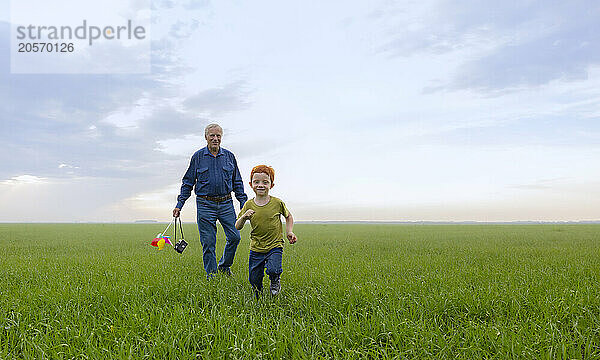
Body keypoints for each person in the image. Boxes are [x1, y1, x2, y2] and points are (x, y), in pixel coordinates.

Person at [173, 124, 247, 277]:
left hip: (226, 203)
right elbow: (188, 182)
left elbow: (237, 182)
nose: (215, 138)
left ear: (221, 137)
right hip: (205, 204)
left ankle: (224, 266)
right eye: (212, 135)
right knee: (208, 242)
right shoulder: (198, 157)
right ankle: (211, 275)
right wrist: (180, 204)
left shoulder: (229, 156)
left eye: (218, 136)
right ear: (205, 137)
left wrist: (243, 203)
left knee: (235, 237)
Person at [235, 165, 297, 296]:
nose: (260, 185)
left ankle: (275, 280)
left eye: (265, 182)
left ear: (271, 185)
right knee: (254, 280)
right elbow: (237, 226)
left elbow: (288, 216)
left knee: (274, 269)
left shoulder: (277, 203)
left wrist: (289, 231)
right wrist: (244, 216)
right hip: (256, 247)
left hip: (275, 245)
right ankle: (258, 296)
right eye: (256, 182)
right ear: (251, 184)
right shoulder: (248, 205)